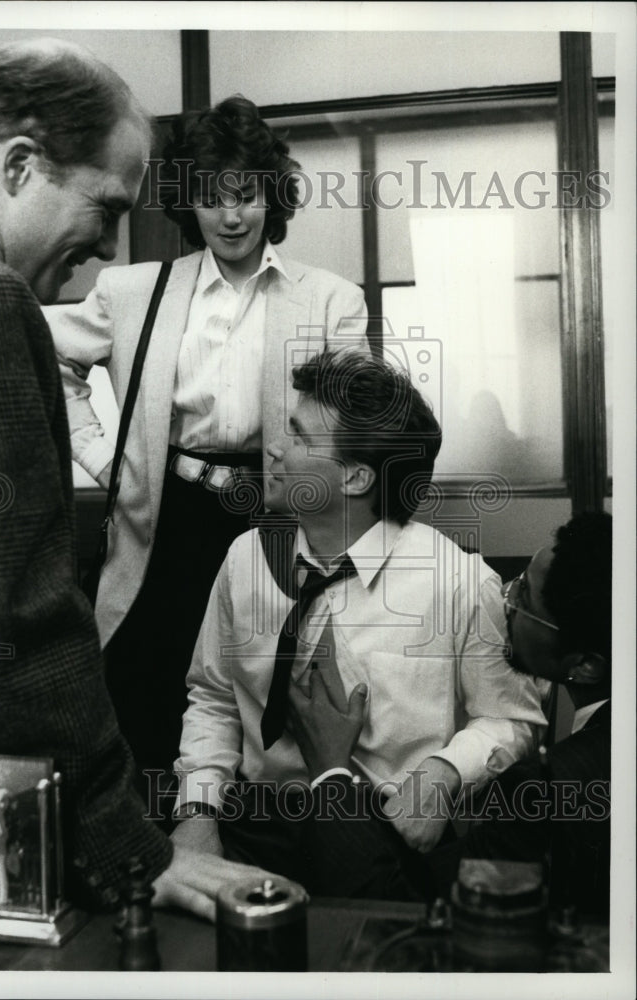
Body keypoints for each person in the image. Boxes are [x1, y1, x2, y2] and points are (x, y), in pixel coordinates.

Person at [0, 38, 271, 922]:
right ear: (19, 164)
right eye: (103, 205)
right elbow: (10, 621)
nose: (106, 245)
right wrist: (129, 847)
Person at [46, 96, 369, 788]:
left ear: (272, 198)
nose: (230, 216)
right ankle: (150, 861)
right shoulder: (132, 290)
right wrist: (106, 461)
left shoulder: (330, 299)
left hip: (275, 519)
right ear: (187, 202)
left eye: (246, 194)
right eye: (210, 195)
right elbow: (48, 361)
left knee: (261, 702)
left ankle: (245, 856)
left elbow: (359, 424)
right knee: (146, 692)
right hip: (160, 519)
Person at [170, 349, 547, 894]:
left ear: (355, 477)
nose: (274, 447)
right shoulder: (247, 558)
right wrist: (198, 814)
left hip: (387, 842)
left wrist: (443, 774)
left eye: (300, 437)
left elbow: (512, 720)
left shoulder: (458, 582)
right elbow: (214, 697)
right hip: (252, 831)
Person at [287, 511, 612, 915]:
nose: (505, 598)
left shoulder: (548, 790)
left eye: (524, 598)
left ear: (586, 666)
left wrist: (330, 772)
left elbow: (394, 905)